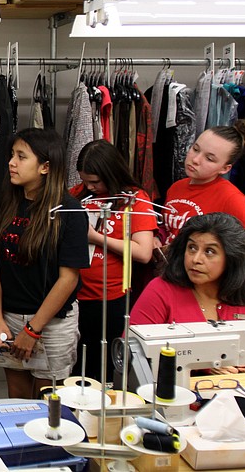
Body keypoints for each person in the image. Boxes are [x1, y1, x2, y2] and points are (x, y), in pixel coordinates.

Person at [0, 128, 90, 398]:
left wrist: (33, 330)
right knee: (17, 400)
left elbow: (68, 279)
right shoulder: (10, 201)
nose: (11, 162)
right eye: (12, 155)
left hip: (52, 324)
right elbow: (1, 258)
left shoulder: (69, 211)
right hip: (10, 319)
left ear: (45, 166)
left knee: (47, 404)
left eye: (21, 156)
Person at [70, 140, 155, 383]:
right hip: (75, 294)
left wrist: (96, 237)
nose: (90, 186)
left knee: (107, 367)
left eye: (95, 181)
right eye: (85, 180)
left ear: (112, 172)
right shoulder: (78, 195)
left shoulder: (134, 199)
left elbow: (143, 252)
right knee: (79, 366)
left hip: (111, 298)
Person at [161, 121, 245, 258]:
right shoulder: (177, 187)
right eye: (195, 149)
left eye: (209, 158)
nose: (196, 159)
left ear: (225, 168)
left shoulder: (228, 196)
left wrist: (219, 261)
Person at [131, 213, 245, 326]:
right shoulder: (160, 290)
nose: (196, 259)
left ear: (232, 258)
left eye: (209, 251)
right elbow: (131, 351)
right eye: (192, 248)